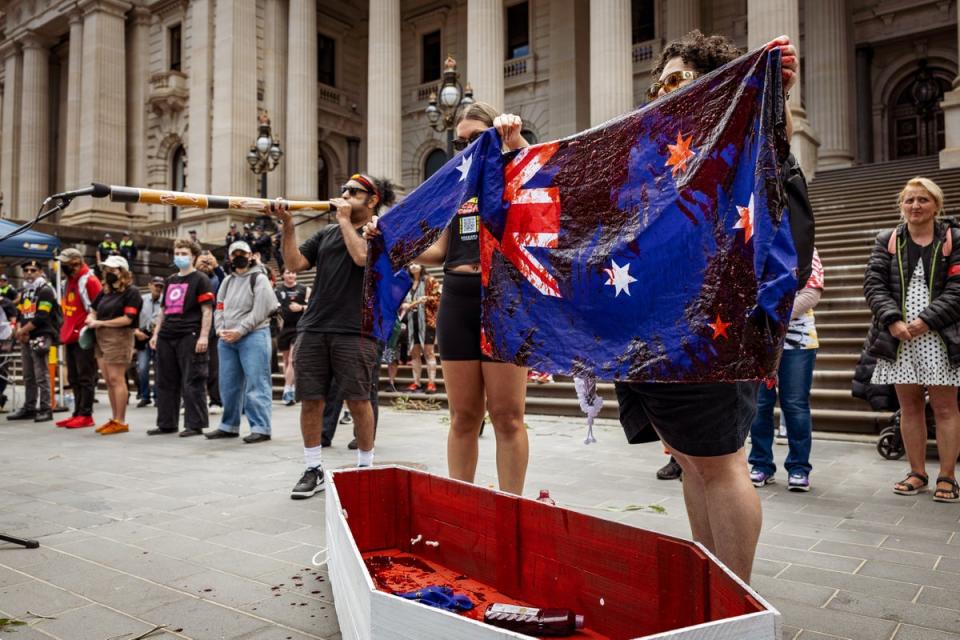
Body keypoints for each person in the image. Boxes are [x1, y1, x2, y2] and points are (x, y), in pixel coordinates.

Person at [612, 31, 802, 583]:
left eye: (676, 80)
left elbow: (772, 150)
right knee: (691, 460)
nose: (661, 92)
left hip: (714, 325)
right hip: (657, 325)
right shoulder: (658, 152)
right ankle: (711, 585)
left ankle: (736, 599)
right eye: (657, 85)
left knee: (719, 464)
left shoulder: (734, 133)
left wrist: (771, 94)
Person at [365, 103, 532, 495]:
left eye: (476, 138)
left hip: (504, 298)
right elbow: (439, 252)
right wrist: (389, 238)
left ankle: (512, 509)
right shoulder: (458, 187)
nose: (466, 148)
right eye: (460, 142)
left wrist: (515, 139)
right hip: (457, 299)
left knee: (507, 417)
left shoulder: (516, 174)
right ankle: (464, 507)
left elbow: (545, 185)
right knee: (462, 417)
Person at [273, 172, 396, 498]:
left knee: (358, 400)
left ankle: (364, 469)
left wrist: (344, 219)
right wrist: (287, 224)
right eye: (342, 190)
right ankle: (313, 468)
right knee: (310, 399)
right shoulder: (326, 233)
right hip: (314, 326)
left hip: (357, 329)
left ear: (372, 201)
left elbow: (361, 258)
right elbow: (293, 263)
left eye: (353, 192)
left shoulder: (380, 233)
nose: (344, 195)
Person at [865, 177, 960, 503]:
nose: (915, 206)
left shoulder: (953, 239)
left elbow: (958, 289)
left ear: (936, 204)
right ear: (901, 206)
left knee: (946, 407)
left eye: (923, 200)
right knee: (909, 407)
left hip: (940, 335)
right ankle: (917, 472)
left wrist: (926, 321)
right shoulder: (887, 239)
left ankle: (947, 476)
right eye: (909, 201)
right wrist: (892, 320)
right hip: (899, 336)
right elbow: (874, 284)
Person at [749, 249, 824, 491]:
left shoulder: (806, 248)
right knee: (760, 404)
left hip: (797, 341)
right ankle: (761, 464)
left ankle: (799, 468)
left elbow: (812, 292)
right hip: (759, 340)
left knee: (795, 404)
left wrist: (773, 316)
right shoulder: (755, 243)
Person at [206, 241, 279, 443]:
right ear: (229, 258)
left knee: (257, 383)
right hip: (227, 338)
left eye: (242, 253)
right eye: (234, 253)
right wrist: (221, 329)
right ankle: (228, 425)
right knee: (228, 384)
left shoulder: (259, 278)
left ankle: (261, 427)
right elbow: (219, 307)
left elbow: (261, 309)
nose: (238, 256)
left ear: (250, 255)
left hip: (254, 335)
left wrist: (240, 330)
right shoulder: (227, 281)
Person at [148, 239, 214, 437]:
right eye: (177, 252)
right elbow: (163, 310)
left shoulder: (201, 279)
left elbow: (207, 311)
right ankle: (166, 423)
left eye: (184, 253)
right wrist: (156, 334)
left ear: (193, 256)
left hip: (189, 334)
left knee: (193, 379)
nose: (180, 256)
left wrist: (203, 336)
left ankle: (195, 424)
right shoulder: (170, 280)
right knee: (165, 380)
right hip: (167, 335)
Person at [85, 256, 141, 435]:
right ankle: (114, 418)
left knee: (117, 379)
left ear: (122, 271)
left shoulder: (131, 292)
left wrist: (100, 322)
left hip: (119, 337)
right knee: (109, 381)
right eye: (106, 269)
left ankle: (121, 420)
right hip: (100, 337)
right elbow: (93, 310)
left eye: (113, 269)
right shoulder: (105, 291)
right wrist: (91, 318)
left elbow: (128, 319)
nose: (108, 273)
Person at [9, 260, 61, 422]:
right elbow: (20, 313)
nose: (29, 273)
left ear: (40, 272)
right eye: (26, 270)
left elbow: (41, 317)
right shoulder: (25, 290)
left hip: (40, 335)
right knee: (28, 375)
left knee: (41, 374)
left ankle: (46, 408)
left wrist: (22, 331)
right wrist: (19, 330)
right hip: (26, 336)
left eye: (33, 270)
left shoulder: (45, 290)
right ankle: (30, 407)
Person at [56, 249, 102, 428]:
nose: (63, 267)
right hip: (70, 335)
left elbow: (98, 306)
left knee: (85, 376)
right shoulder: (67, 282)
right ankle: (77, 412)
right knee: (74, 377)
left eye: (66, 263)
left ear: (76, 262)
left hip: (84, 335)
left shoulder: (89, 280)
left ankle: (86, 414)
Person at [400, 264, 440, 394]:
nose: (413, 266)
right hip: (412, 321)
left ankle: (431, 383)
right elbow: (400, 300)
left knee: (429, 352)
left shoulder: (430, 280)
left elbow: (439, 298)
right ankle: (416, 382)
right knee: (414, 353)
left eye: (416, 263)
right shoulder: (407, 283)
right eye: (411, 264)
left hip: (427, 321)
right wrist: (403, 304)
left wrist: (427, 299)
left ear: (422, 266)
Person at [195, 252, 225, 413]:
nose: (205, 263)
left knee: (214, 366)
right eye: (202, 260)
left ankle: (215, 400)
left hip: (214, 326)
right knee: (193, 368)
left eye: (208, 261)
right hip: (193, 326)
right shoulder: (192, 277)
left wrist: (217, 266)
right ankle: (192, 401)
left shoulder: (217, 279)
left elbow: (225, 281)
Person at [276, 268, 309, 405]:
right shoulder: (277, 291)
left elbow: (314, 306)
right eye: (288, 272)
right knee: (286, 360)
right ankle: (291, 386)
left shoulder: (304, 289)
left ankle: (287, 390)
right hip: (284, 328)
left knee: (292, 359)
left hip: (299, 328)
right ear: (283, 275)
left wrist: (301, 307)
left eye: (293, 272)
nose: (291, 275)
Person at [135, 276, 164, 408]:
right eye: (156, 285)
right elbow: (132, 316)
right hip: (143, 335)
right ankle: (144, 395)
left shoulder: (165, 301)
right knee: (142, 368)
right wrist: (135, 331)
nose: (158, 288)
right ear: (150, 285)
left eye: (160, 286)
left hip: (159, 336)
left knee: (159, 368)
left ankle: (158, 396)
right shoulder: (141, 299)